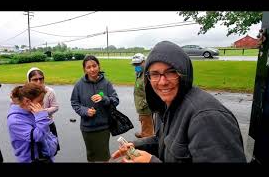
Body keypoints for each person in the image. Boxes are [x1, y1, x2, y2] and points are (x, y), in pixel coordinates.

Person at [111, 41, 247, 163]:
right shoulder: (165, 105)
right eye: (155, 74)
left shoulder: (207, 118)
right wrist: (136, 146)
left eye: (171, 72)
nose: (162, 82)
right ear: (148, 77)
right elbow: (162, 141)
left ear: (184, 73)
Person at [71, 55, 119, 162]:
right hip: (87, 127)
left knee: (104, 156)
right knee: (91, 155)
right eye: (88, 67)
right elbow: (74, 102)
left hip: (103, 126)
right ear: (84, 69)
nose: (92, 69)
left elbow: (115, 100)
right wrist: (85, 111)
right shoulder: (79, 85)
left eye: (94, 66)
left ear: (99, 66)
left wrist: (104, 98)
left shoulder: (106, 83)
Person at [7, 83, 58, 163]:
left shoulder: (31, 110)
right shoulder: (15, 121)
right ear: (27, 101)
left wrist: (53, 141)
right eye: (40, 101)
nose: (42, 104)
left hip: (44, 157)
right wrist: (41, 116)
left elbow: (46, 131)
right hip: (31, 160)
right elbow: (38, 137)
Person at [26, 67, 60, 154]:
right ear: (29, 80)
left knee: (51, 150)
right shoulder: (25, 93)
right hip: (32, 126)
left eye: (41, 79)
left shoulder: (49, 91)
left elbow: (55, 107)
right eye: (35, 79)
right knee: (36, 152)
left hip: (48, 124)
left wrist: (42, 112)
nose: (39, 82)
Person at [131, 53, 154, 138]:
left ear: (144, 62)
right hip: (141, 106)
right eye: (134, 64)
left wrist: (143, 104)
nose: (136, 66)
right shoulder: (139, 73)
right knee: (143, 121)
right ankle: (143, 132)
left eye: (138, 64)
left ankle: (147, 138)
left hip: (145, 107)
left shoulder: (147, 76)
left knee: (147, 124)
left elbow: (151, 94)